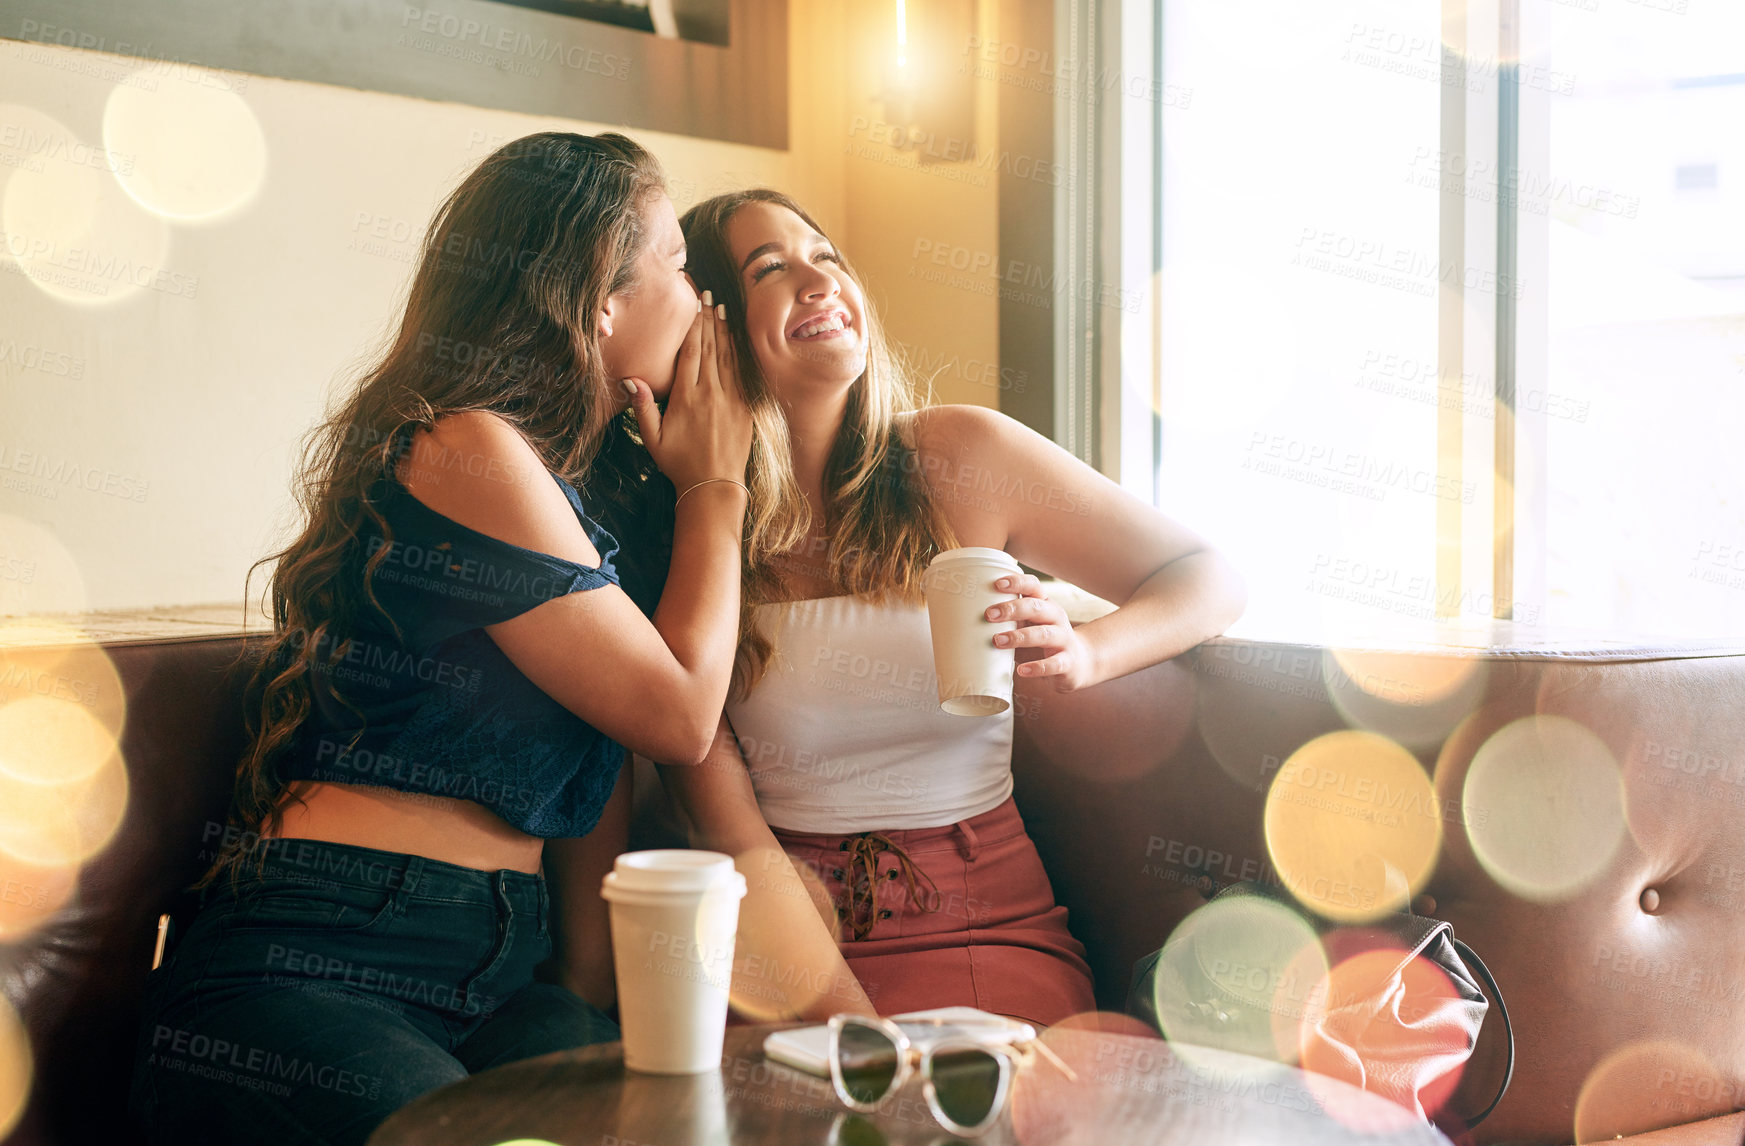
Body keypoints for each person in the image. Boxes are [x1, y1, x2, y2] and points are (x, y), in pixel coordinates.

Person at [127, 132, 751, 1146]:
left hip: (501, 973)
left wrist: (580, 1001)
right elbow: (678, 716)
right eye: (679, 267)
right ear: (600, 302)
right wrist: (713, 484)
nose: (701, 305)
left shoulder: (577, 506)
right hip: (316, 961)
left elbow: (592, 790)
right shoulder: (467, 447)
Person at [658, 189, 1247, 1026]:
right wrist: (854, 1038)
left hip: (986, 924)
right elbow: (735, 837)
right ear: (712, 326)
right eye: (770, 268)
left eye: (826, 256)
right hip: (785, 939)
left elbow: (1209, 575)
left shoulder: (959, 457)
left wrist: (1091, 652)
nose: (818, 280)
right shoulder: (694, 531)